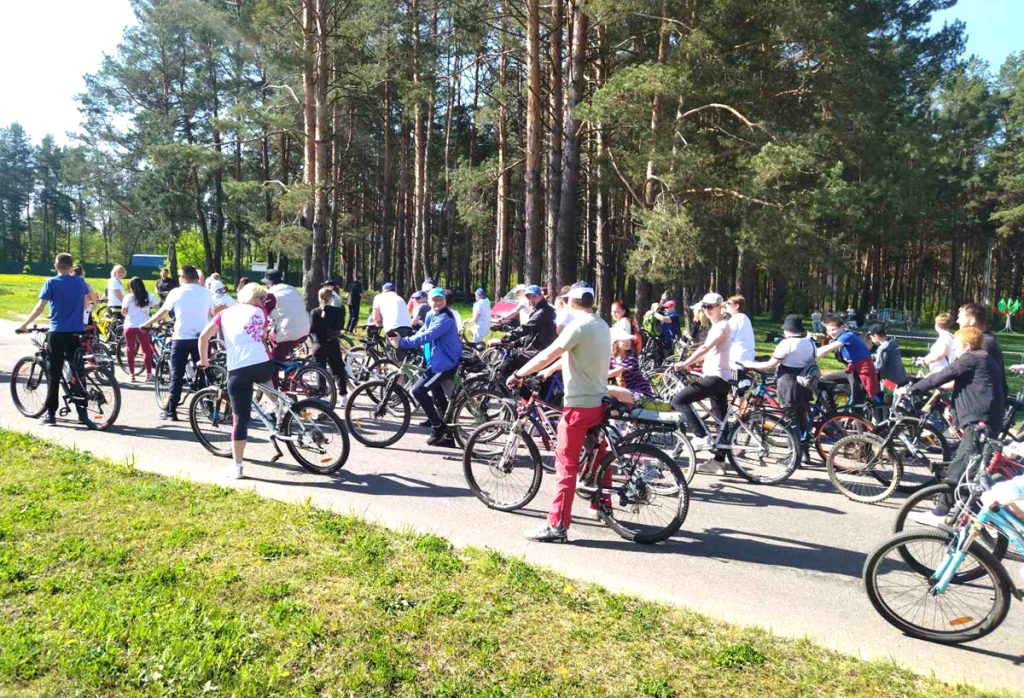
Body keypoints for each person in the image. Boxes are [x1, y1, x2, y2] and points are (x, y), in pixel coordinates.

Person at [506, 284, 611, 543]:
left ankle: (557, 526)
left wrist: (520, 374)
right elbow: (573, 354)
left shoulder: (578, 326)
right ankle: (602, 504)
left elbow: (547, 353)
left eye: (565, 300)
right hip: (598, 400)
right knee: (599, 451)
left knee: (565, 465)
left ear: (572, 302)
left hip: (578, 404)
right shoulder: (600, 325)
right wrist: (549, 372)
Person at [897, 326, 1004, 525]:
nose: (953, 349)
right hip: (985, 420)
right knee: (970, 469)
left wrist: (912, 389)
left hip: (978, 422)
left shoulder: (971, 358)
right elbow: (956, 383)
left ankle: (940, 512)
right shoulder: (984, 359)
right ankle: (968, 511)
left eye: (955, 345)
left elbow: (944, 375)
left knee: (960, 466)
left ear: (965, 344)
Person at [197, 283, 275, 480]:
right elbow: (262, 334)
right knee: (269, 387)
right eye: (261, 299)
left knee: (240, 419)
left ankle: (237, 467)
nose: (263, 302)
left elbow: (204, 337)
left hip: (239, 368)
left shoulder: (225, 314)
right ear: (256, 299)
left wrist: (204, 360)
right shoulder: (260, 312)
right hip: (262, 363)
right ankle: (281, 413)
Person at [16, 253, 92, 426]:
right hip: (76, 332)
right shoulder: (80, 282)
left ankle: (51, 414)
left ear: (56, 265)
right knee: (77, 372)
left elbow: (39, 307)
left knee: (54, 373)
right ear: (72, 266)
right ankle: (83, 413)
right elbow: (87, 303)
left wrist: (24, 325)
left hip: (57, 333)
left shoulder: (51, 283)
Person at [389, 288, 463, 447]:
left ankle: (438, 427)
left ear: (445, 301)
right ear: (428, 301)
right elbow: (422, 331)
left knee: (418, 390)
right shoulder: (431, 314)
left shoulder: (445, 318)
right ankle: (448, 438)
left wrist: (403, 343)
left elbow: (428, 335)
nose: (437, 303)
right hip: (434, 361)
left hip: (444, 364)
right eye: (434, 300)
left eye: (440, 300)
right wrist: (407, 339)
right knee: (439, 399)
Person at [669, 293, 733, 472]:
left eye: (710, 307)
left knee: (678, 400)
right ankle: (719, 461)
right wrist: (692, 361)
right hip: (720, 376)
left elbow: (706, 347)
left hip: (717, 376)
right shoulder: (717, 327)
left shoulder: (722, 326)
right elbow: (707, 351)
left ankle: (700, 435)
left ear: (720, 307)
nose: (707, 310)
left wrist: (684, 363)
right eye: (704, 307)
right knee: (720, 418)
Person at [140, 265, 213, 421]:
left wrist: (147, 323)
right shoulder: (207, 293)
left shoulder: (176, 292)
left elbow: (163, 312)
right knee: (205, 371)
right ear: (196, 277)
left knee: (176, 374)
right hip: (201, 337)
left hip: (181, 337)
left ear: (183, 277)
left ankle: (171, 410)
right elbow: (211, 313)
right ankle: (209, 405)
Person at [743, 315, 816, 437]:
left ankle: (796, 451)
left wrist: (749, 364)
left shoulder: (786, 343)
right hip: (805, 382)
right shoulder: (810, 343)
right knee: (801, 416)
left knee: (791, 421)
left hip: (789, 384)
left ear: (786, 330)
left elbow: (770, 365)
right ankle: (804, 448)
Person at [489, 284, 557, 383]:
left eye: (534, 296)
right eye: (529, 297)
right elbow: (531, 334)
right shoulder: (538, 309)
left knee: (507, 365)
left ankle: (509, 395)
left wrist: (503, 339)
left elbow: (527, 328)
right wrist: (515, 343)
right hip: (534, 348)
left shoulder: (544, 311)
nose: (531, 299)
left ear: (541, 296)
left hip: (538, 351)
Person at [816, 315, 878, 408]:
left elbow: (826, 350)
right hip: (852, 370)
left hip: (862, 373)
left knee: (856, 405)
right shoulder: (842, 337)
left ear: (842, 327)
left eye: (833, 329)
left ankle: (857, 420)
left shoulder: (848, 336)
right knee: (825, 380)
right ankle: (830, 410)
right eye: (828, 330)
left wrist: (812, 358)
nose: (830, 333)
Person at [957, 302, 1006, 397]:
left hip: (983, 400)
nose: (957, 321)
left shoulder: (984, 341)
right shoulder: (983, 339)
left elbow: (979, 375)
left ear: (971, 320)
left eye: (960, 318)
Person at [310, 287, 349, 405]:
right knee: (338, 369)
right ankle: (343, 395)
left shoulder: (314, 312)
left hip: (319, 344)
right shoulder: (338, 311)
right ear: (331, 297)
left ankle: (323, 395)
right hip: (333, 344)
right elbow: (340, 326)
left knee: (320, 371)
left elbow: (312, 329)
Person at [262, 269, 311, 361]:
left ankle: (275, 374)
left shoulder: (271, 294)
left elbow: (264, 312)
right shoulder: (293, 289)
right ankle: (292, 371)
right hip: (304, 330)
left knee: (275, 361)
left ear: (269, 282)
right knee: (284, 350)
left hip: (288, 333)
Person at [121, 277, 159, 381]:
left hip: (130, 326)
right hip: (144, 325)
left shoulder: (128, 297)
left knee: (130, 350)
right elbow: (159, 309)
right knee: (146, 350)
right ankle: (149, 374)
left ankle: (132, 375)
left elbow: (123, 312)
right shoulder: (149, 296)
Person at [607, 325, 654, 405]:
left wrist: (600, 375)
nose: (628, 342)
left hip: (639, 391)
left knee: (609, 391)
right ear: (616, 343)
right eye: (624, 340)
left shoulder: (632, 356)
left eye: (629, 340)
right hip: (626, 391)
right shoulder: (612, 358)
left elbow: (617, 371)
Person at [866, 323, 908, 390]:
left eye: (871, 338)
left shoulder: (883, 348)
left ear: (876, 336)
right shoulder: (893, 343)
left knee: (887, 399)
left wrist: (866, 364)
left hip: (890, 382)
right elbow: (887, 358)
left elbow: (878, 367)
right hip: (901, 377)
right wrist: (873, 356)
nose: (871, 340)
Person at [725, 294, 755, 370]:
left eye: (728, 303)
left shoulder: (735, 319)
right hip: (748, 357)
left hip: (737, 360)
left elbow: (725, 339)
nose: (726, 305)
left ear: (736, 306)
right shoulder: (745, 318)